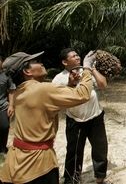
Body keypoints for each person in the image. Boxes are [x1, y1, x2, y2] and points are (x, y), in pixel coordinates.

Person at [0, 51, 95, 184]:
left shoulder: (19, 92)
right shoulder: (42, 89)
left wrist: (70, 85)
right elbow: (83, 94)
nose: (41, 63)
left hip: (15, 162)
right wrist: (87, 69)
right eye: (36, 62)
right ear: (27, 72)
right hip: (38, 165)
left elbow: (47, 105)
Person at [52, 49, 111, 184]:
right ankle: (71, 179)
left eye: (78, 55)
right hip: (75, 120)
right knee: (74, 152)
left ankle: (100, 178)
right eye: (73, 56)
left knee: (100, 149)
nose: (77, 57)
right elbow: (56, 98)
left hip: (95, 117)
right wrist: (70, 84)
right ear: (64, 62)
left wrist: (90, 68)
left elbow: (103, 85)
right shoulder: (59, 78)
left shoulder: (87, 72)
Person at [0, 55, 15, 155]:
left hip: (3, 106)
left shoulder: (6, 75)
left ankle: (2, 149)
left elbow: (11, 90)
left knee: (5, 127)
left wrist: (11, 105)